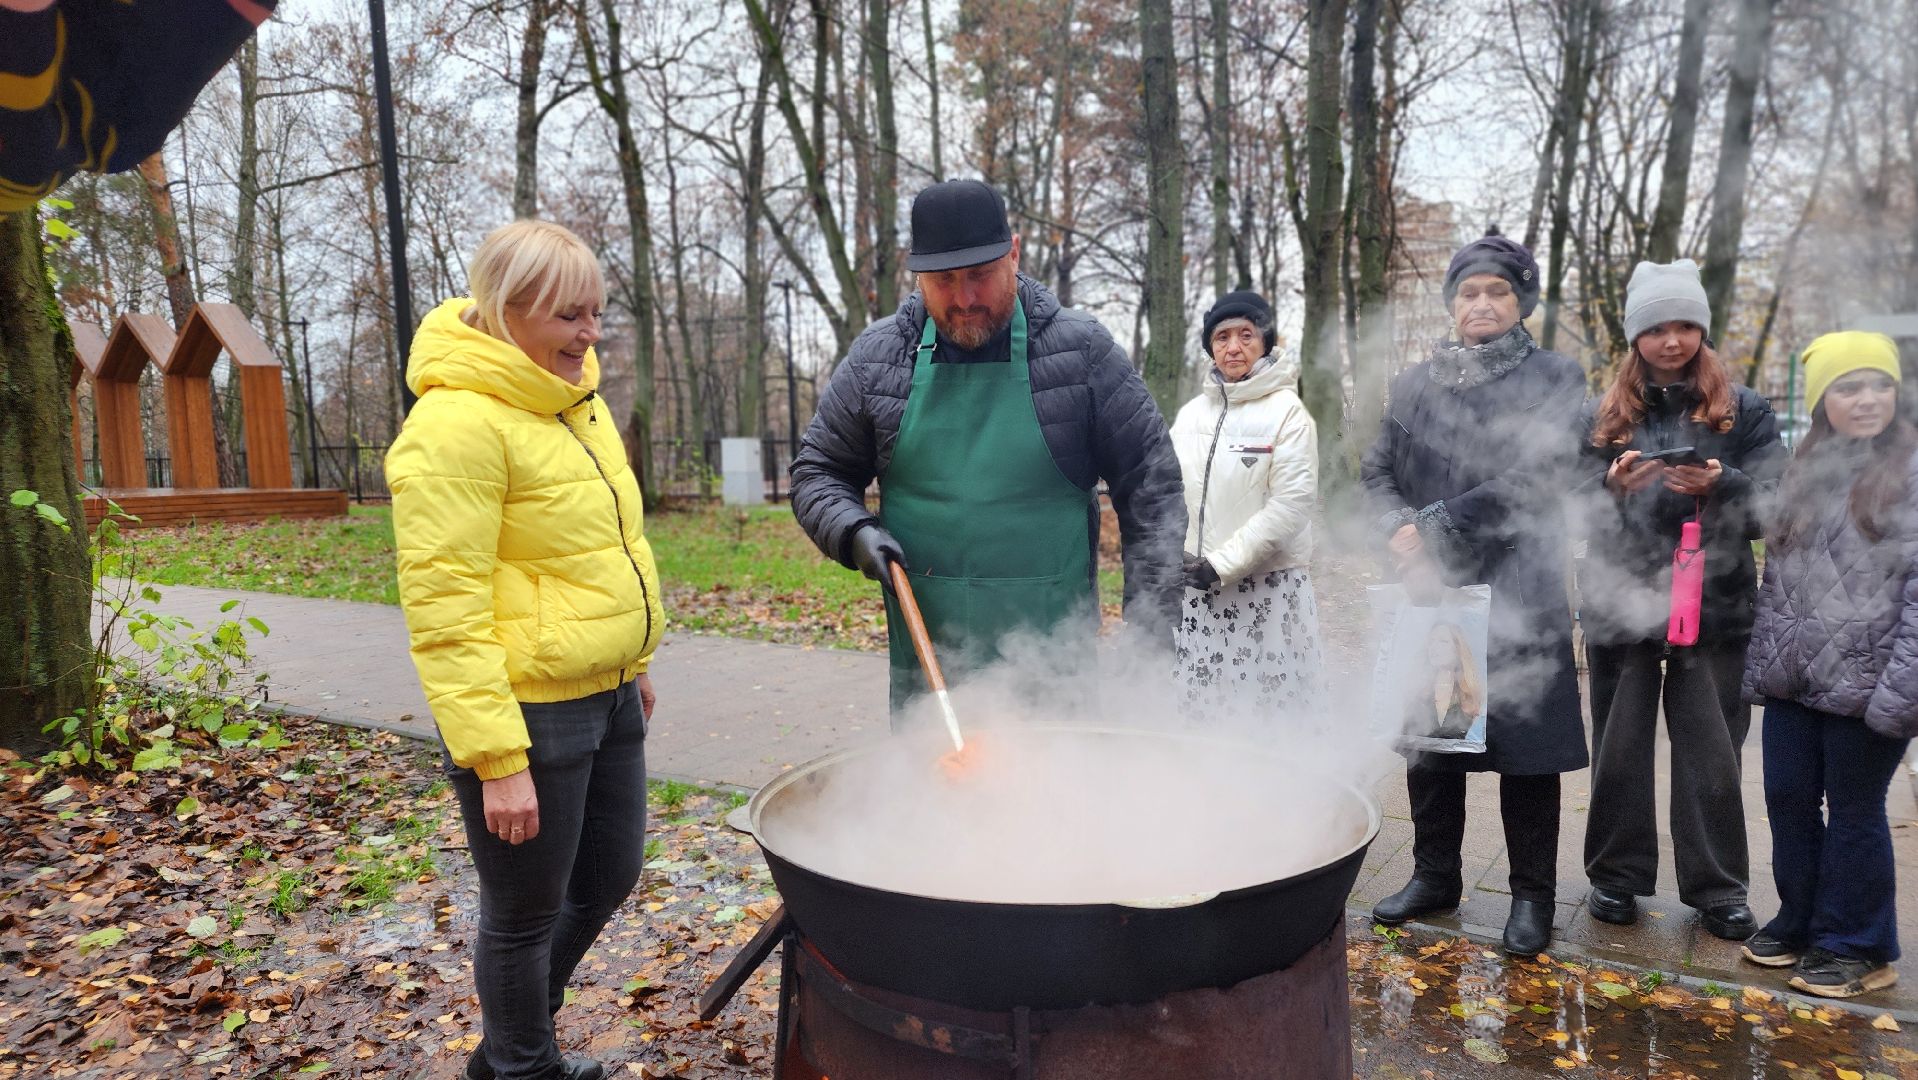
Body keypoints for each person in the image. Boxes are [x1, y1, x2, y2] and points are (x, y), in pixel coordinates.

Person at [387, 220, 665, 1080]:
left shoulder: (569, 403)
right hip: (528, 716)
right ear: (510, 311)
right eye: (570, 316)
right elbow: (446, 611)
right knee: (522, 915)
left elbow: (593, 552)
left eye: (595, 314)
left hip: (608, 693)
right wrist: (495, 758)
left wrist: (634, 660)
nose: (590, 334)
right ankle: (524, 1068)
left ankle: (509, 1050)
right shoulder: (455, 427)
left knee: (610, 876)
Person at [790, 179, 1185, 713]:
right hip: (931, 676)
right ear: (919, 277)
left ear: (1014, 254)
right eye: (944, 280)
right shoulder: (878, 358)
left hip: (1056, 675)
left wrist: (1150, 645)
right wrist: (853, 531)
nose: (965, 298)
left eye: (980, 275)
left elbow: (1153, 490)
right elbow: (818, 472)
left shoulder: (1082, 353)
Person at [1360, 229, 1588, 957]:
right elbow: (1373, 472)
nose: (1482, 303)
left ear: (1521, 301)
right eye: (1468, 291)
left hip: (1521, 583)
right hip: (1431, 590)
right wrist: (1399, 528)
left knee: (1526, 750)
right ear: (1452, 304)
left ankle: (1531, 898)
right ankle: (1435, 877)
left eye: (1497, 290)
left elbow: (1543, 475)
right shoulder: (1415, 384)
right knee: (1432, 739)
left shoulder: (1556, 377)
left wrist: (1432, 526)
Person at [1575, 259, 1785, 940]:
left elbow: (1780, 509)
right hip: (1621, 598)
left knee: (1713, 748)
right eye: (1657, 328)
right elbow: (1565, 508)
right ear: (1636, 337)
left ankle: (1718, 887)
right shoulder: (1604, 416)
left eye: (1686, 326)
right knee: (1619, 744)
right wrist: (1610, 488)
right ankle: (1614, 877)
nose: (1672, 341)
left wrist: (1722, 482)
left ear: (1703, 329)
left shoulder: (1744, 410)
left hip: (1716, 601)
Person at [1741, 331, 1918, 999]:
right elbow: (1778, 579)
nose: (1867, 398)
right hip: (1797, 678)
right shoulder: (1804, 470)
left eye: (1880, 384)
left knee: (1853, 809)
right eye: (1849, 386)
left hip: (1874, 681)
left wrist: (1901, 692)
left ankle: (1861, 945)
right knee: (1787, 799)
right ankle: (1802, 918)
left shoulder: (1911, 470)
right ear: (1823, 402)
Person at [1169, 290, 1322, 717]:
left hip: (1266, 592)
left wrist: (1221, 564)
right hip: (1201, 593)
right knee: (1208, 715)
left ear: (1265, 342)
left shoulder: (1287, 412)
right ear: (1210, 347)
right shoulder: (1192, 415)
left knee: (1268, 716)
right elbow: (1168, 488)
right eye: (1221, 337)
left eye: (1246, 334)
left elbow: (1291, 506)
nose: (1233, 346)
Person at [1408, 623, 1482, 741]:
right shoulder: (1417, 692)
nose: (1434, 647)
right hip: (1422, 759)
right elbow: (1401, 740)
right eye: (1431, 641)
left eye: (1443, 641)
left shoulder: (1471, 693)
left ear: (1458, 648)